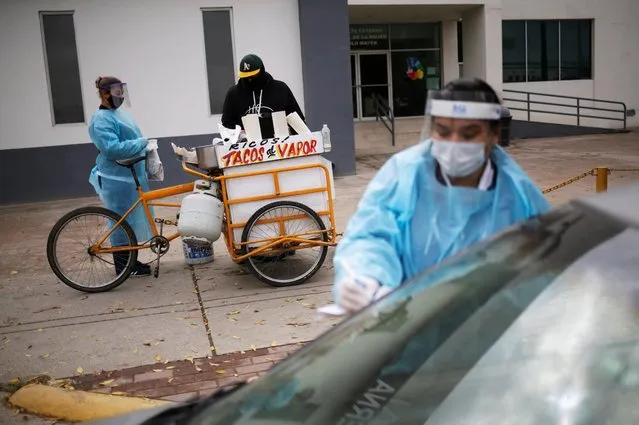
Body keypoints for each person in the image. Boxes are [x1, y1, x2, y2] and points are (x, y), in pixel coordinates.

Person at [333, 77, 551, 313]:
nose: (453, 144)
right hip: (405, 326)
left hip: (487, 334)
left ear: (493, 134)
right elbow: (371, 234)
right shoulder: (404, 174)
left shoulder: (518, 196)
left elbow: (544, 267)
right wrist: (364, 276)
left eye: (469, 135)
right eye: (443, 132)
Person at [88, 76, 154, 277]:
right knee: (119, 221)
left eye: (122, 91)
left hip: (129, 175)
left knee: (131, 220)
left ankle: (131, 261)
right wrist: (141, 143)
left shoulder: (119, 115)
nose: (121, 95)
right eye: (117, 92)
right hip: (115, 177)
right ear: (105, 93)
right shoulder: (101, 119)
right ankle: (123, 266)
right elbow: (112, 148)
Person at [221, 54, 305, 139]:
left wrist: (303, 140)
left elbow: (297, 120)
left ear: (261, 71)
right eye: (246, 77)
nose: (249, 79)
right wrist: (239, 136)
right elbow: (227, 124)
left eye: (253, 76)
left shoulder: (280, 89)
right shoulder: (234, 94)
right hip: (248, 148)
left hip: (281, 146)